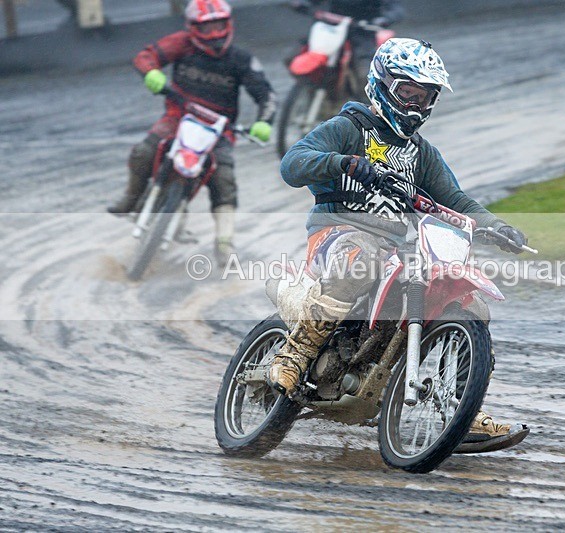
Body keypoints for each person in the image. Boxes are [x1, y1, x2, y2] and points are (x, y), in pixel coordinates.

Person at [274, 38, 529, 451]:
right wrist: (345, 162)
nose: (414, 105)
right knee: (365, 257)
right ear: (382, 84)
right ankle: (296, 355)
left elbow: (457, 200)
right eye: (407, 93)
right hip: (338, 232)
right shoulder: (349, 128)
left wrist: (496, 226)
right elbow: (292, 164)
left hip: (400, 248)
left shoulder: (422, 153)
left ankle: (462, 405)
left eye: (424, 97)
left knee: (470, 305)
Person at [107, 0, 277, 263]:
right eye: (206, 28)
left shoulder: (242, 59)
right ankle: (130, 198)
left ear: (229, 24)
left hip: (219, 130)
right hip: (177, 117)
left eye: (219, 25)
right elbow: (145, 56)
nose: (214, 35)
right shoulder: (181, 43)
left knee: (224, 178)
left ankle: (224, 242)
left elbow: (266, 95)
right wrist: (151, 73)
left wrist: (265, 121)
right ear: (192, 28)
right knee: (143, 152)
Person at [291, 0, 405, 76]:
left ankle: (367, 104)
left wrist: (385, 19)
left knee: (364, 71)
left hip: (363, 31)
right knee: (295, 55)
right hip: (332, 29)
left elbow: (395, 9)